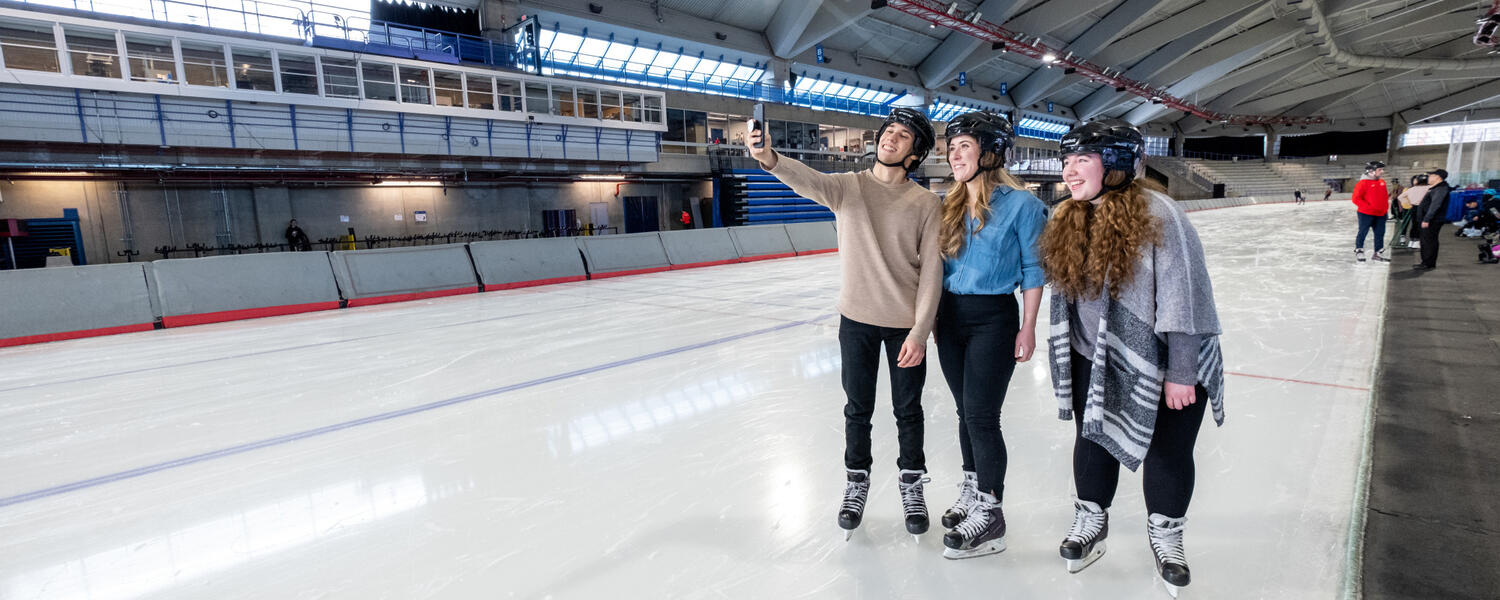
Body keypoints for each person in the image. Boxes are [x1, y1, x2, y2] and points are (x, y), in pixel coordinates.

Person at [1039, 120, 1225, 597]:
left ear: (1118, 163)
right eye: (1067, 160)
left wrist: (1182, 372)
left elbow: (1186, 299)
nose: (1069, 171)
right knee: (1092, 437)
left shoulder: (1159, 213)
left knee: (1167, 450)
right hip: (1093, 357)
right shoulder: (1069, 215)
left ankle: (1166, 535)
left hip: (1166, 360)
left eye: (1082, 159)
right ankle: (1091, 520)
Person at [745, 107, 944, 539]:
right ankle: (857, 481)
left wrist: (920, 331)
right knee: (858, 408)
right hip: (856, 322)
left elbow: (932, 271)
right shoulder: (848, 188)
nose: (891, 138)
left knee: (908, 410)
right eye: (888, 131)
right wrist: (768, 157)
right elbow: (805, 179)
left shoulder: (928, 204)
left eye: (903, 136)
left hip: (904, 327)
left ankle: (912, 482)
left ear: (916, 154)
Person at [929, 111, 1046, 560]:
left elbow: (1034, 271)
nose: (954, 154)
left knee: (981, 415)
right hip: (951, 319)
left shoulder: (1022, 205)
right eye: (952, 146)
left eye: (964, 146)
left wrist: (1028, 325)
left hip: (993, 318)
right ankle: (972, 487)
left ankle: (991, 512)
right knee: (964, 412)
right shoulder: (949, 203)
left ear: (990, 152)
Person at [1414, 169, 1453, 270]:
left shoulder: (1440, 189)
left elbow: (1435, 205)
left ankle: (1428, 263)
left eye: (1431, 175)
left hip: (1432, 220)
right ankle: (1426, 262)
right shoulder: (1435, 188)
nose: (1428, 177)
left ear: (1437, 177)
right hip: (1429, 219)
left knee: (1429, 241)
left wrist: (1427, 219)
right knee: (1426, 240)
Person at [1351, 161, 1390, 262]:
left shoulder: (1382, 182)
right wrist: (1369, 208)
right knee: (1363, 232)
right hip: (1366, 214)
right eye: (1380, 170)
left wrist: (1385, 209)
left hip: (1381, 214)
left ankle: (1378, 253)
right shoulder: (1362, 183)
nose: (1382, 172)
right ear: (1371, 171)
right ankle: (1359, 250)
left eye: (1382, 169)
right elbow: (1356, 199)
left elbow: (1385, 197)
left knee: (1380, 233)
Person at [1399, 174, 1431, 249]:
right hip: (1423, 208)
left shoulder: (1412, 189)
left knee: (1414, 224)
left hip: (1413, 207)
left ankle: (1412, 241)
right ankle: (1418, 242)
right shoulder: (1429, 188)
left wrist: (1409, 204)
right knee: (1422, 225)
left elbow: (1400, 197)